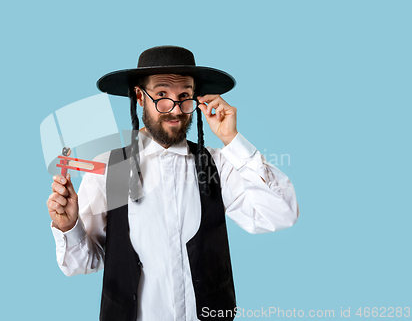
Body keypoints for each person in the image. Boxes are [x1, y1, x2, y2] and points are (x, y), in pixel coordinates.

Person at [46, 46, 299, 321]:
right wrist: (68, 226)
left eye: (185, 96)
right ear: (140, 96)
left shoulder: (215, 165)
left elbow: (281, 214)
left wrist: (233, 140)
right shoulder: (115, 170)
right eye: (162, 95)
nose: (175, 109)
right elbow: (84, 263)